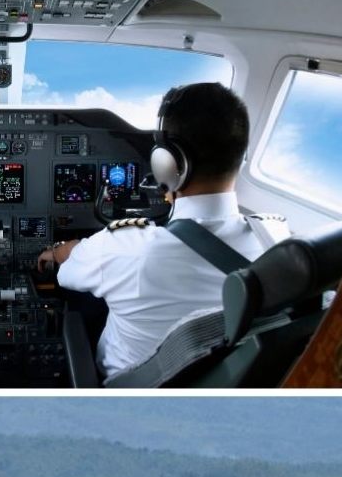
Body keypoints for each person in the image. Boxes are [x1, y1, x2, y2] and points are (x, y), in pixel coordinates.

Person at [38, 81, 288, 378]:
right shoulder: (279, 243)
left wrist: (54, 251)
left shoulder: (126, 248)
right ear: (241, 155)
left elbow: (67, 273)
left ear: (168, 163)